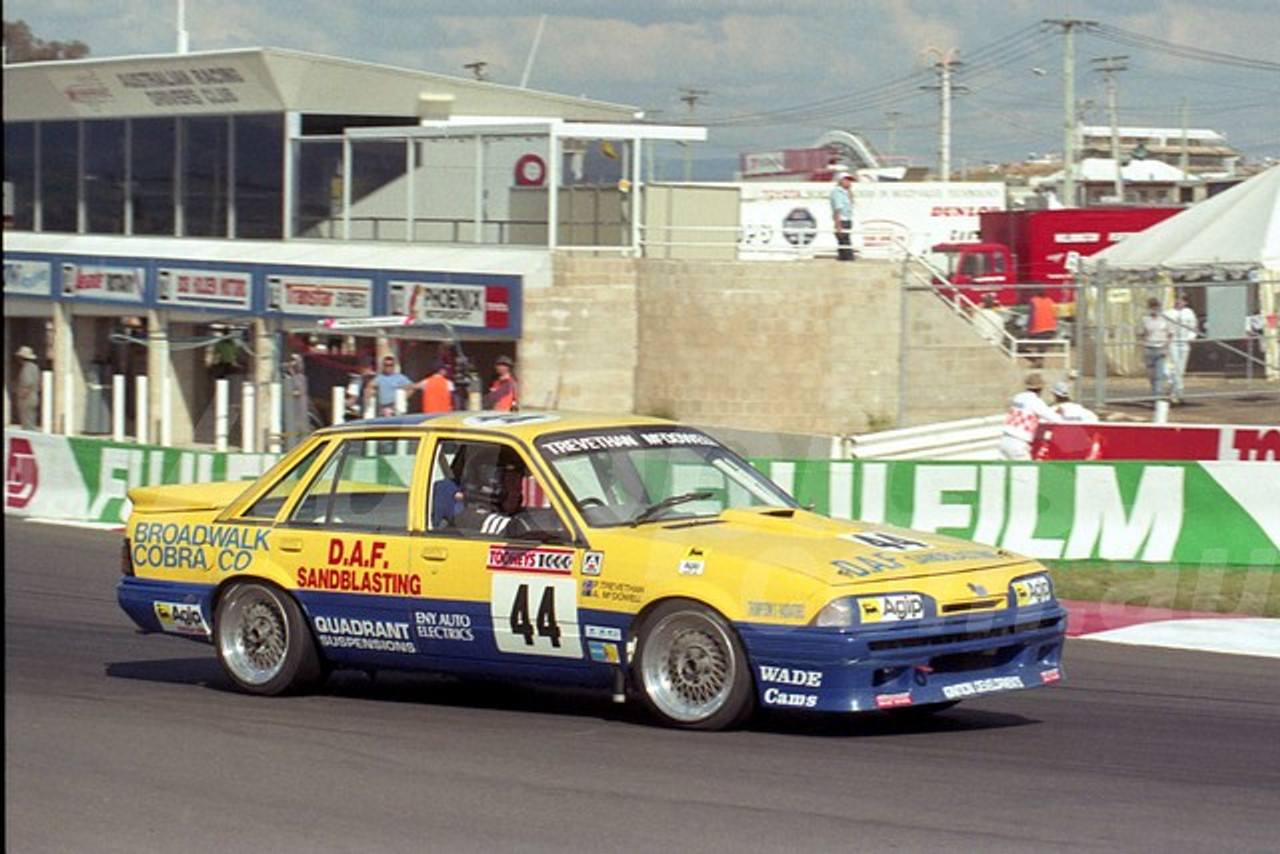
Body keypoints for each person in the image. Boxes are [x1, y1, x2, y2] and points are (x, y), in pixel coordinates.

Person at [998, 371, 1061, 461]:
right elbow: (1055, 419)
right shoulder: (1035, 401)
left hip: (1004, 440)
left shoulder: (1018, 397)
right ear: (1041, 388)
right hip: (1019, 442)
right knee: (1027, 473)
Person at [1163, 292, 1197, 404]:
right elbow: (1164, 327)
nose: (1179, 301)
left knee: (1181, 369)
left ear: (1185, 302)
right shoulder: (1168, 313)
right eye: (1177, 299)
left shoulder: (1189, 312)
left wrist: (1190, 337)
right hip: (1173, 343)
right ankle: (1178, 393)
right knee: (1176, 367)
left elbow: (1193, 327)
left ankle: (1174, 392)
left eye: (1182, 300)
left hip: (1184, 343)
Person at [1137, 297, 1173, 401]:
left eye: (1156, 307)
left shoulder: (1165, 319)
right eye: (1152, 307)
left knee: (1159, 375)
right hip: (1149, 348)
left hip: (1160, 348)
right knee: (1151, 375)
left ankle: (1157, 397)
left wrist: (1166, 347)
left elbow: (1170, 334)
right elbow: (1140, 333)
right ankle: (1156, 392)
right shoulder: (1145, 319)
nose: (1154, 309)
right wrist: (1142, 344)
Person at [283, 353, 310, 448]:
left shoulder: (300, 378)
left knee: (301, 431)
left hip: (299, 411)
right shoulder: (289, 378)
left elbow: (299, 392)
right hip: (292, 413)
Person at [1025, 289, 1058, 365]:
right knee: (1042, 346)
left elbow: (1031, 317)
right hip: (1051, 330)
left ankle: (1035, 360)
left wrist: (1028, 331)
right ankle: (1038, 360)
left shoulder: (1033, 301)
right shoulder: (1050, 300)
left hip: (1038, 330)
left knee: (1019, 345)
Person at [830, 171, 856, 261]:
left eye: (850, 180)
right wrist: (838, 224)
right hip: (842, 220)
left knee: (845, 243)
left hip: (847, 219)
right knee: (845, 243)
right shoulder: (837, 192)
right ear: (841, 181)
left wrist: (849, 191)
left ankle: (844, 259)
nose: (849, 182)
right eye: (847, 180)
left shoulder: (846, 192)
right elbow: (838, 208)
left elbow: (851, 203)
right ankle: (847, 259)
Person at [15, 345, 40, 430]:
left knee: (27, 422)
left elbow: (27, 384)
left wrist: (22, 397)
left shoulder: (26, 368)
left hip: (27, 398)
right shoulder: (35, 367)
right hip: (34, 396)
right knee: (31, 419)